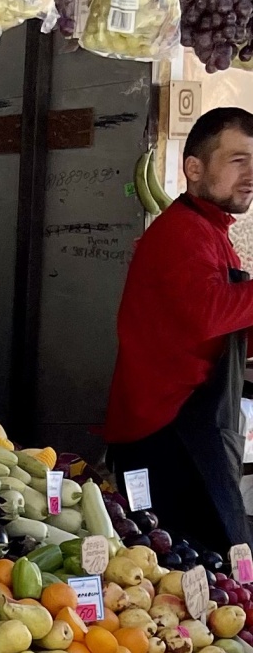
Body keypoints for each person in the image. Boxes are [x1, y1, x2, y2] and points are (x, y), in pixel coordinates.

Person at [105, 106, 253, 551]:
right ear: (194, 168)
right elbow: (207, 312)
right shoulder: (182, 233)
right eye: (237, 160)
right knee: (195, 563)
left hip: (191, 431)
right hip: (169, 438)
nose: (249, 175)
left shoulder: (212, 233)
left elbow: (219, 329)